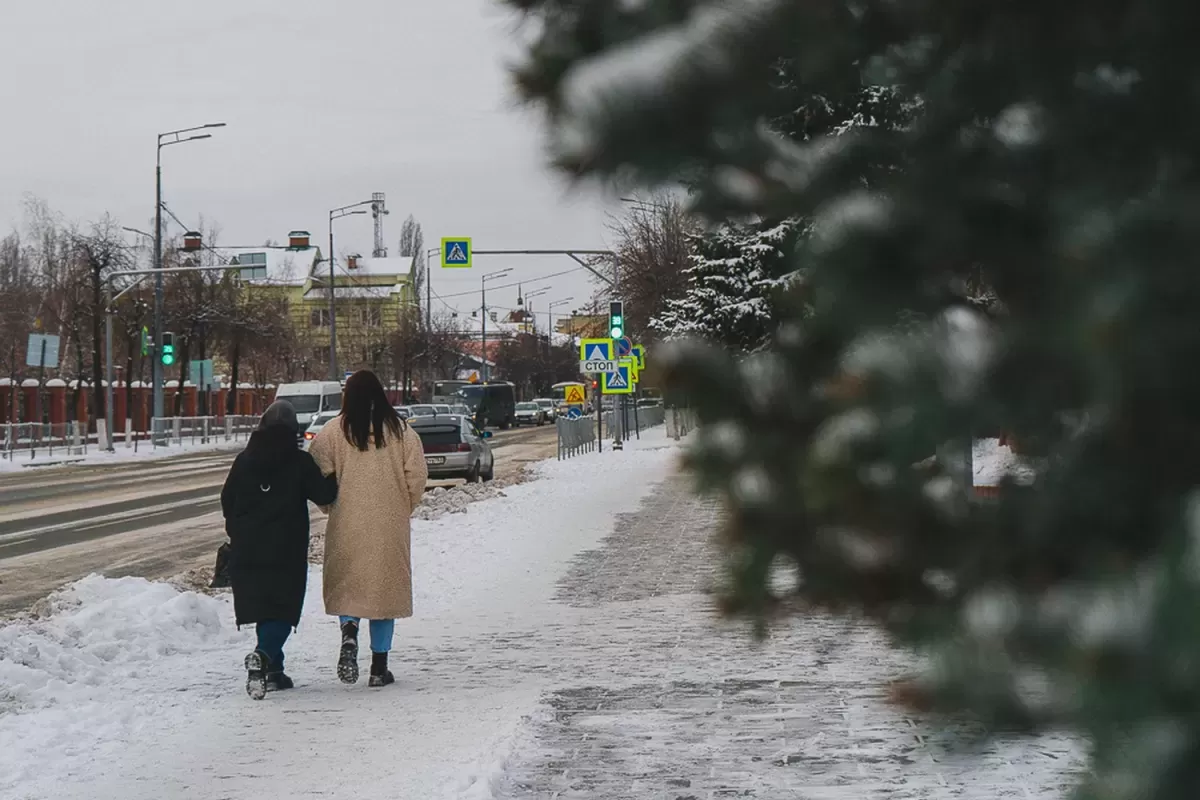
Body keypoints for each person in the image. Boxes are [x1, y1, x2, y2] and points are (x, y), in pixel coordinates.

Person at [309, 370, 428, 687]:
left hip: (347, 521)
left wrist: (330, 506)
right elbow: (416, 476)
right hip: (389, 523)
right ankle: (379, 668)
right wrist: (404, 505)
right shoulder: (401, 431)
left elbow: (316, 475)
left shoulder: (334, 431)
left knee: (350, 585)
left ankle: (349, 631)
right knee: (383, 592)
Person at [220, 400, 338, 700]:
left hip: (248, 548)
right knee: (283, 610)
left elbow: (227, 500)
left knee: (264, 608)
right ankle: (263, 655)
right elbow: (324, 493)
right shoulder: (298, 462)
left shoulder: (244, 461)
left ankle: (274, 671)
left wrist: (238, 530)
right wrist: (336, 472)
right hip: (286, 549)